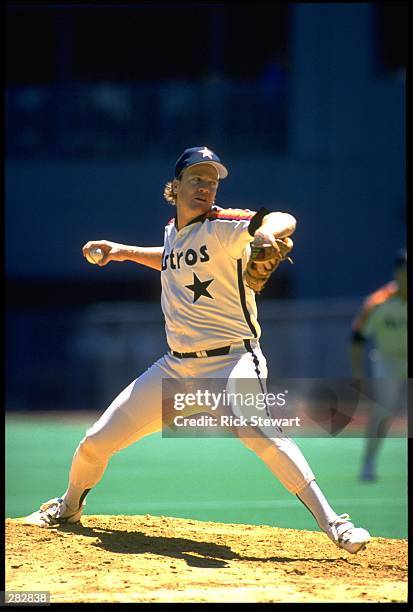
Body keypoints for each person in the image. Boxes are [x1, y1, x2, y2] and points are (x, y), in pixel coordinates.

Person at [24, 146, 370, 554]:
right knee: (94, 442)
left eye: (213, 180)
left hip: (233, 361)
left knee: (260, 434)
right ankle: (67, 507)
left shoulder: (225, 226)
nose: (206, 187)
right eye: (197, 178)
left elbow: (283, 219)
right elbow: (173, 259)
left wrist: (266, 232)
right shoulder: (173, 231)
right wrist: (123, 252)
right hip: (174, 369)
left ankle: (335, 525)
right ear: (175, 186)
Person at [350, 250, 407, 481]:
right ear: (397, 273)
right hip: (388, 360)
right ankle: (369, 461)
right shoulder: (378, 302)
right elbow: (357, 338)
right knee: (383, 410)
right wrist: (357, 374)